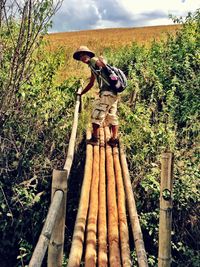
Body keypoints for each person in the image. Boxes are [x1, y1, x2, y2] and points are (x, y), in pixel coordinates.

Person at [73, 46, 119, 146]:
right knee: (112, 116)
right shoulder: (92, 67)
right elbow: (91, 83)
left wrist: (102, 62)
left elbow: (102, 64)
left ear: (88, 54)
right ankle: (114, 140)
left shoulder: (94, 61)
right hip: (113, 92)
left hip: (107, 93)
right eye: (80, 57)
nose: (82, 58)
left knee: (96, 116)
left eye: (84, 55)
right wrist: (81, 93)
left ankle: (95, 139)